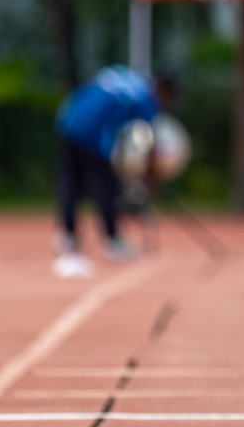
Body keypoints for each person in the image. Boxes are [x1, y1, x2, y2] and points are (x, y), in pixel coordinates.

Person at [53, 66, 169, 279]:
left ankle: (67, 235)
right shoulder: (145, 97)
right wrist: (152, 177)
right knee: (105, 185)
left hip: (68, 120)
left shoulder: (126, 78)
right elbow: (149, 141)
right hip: (92, 133)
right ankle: (112, 240)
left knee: (71, 181)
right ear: (163, 90)